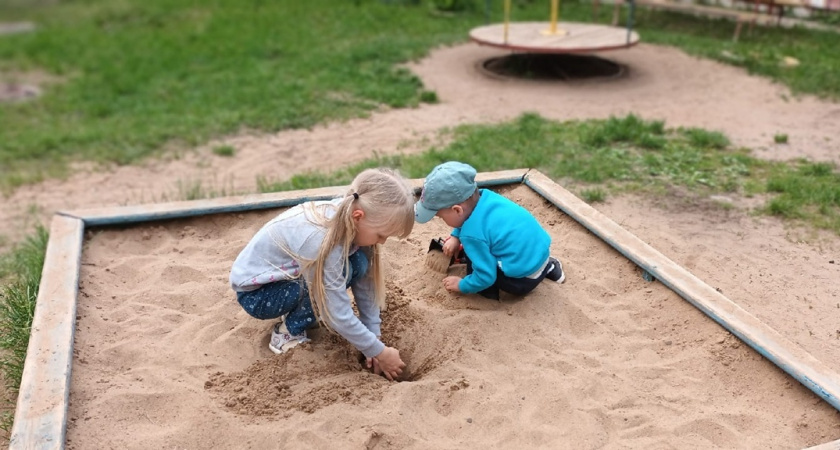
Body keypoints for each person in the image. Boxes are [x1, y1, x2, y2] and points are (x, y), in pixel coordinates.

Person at [230, 168, 415, 381]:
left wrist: (373, 336)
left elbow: (366, 280)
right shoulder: (322, 241)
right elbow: (335, 313)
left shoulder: (352, 219)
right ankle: (285, 333)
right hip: (258, 295)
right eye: (381, 235)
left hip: (284, 279)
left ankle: (298, 310)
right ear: (358, 217)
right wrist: (380, 352)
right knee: (329, 279)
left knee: (358, 263)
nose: (382, 242)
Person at [415, 161, 565, 300]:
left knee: (476, 261)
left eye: (440, 217)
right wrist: (455, 236)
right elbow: (472, 218)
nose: (441, 219)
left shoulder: (471, 236)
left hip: (522, 282)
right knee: (491, 242)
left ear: (457, 209)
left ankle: (488, 294)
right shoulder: (486, 197)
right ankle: (551, 267)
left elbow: (486, 276)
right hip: (541, 255)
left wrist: (462, 285)